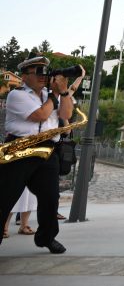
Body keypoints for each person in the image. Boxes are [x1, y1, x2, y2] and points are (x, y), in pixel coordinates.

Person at [0, 56, 77, 254]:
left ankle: (47, 237)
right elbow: (40, 115)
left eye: (45, 71)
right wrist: (53, 95)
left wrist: (64, 91)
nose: (44, 76)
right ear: (25, 76)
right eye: (38, 72)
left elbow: (66, 115)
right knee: (5, 196)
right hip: (20, 147)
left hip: (47, 149)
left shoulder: (50, 94)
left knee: (51, 197)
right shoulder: (17, 95)